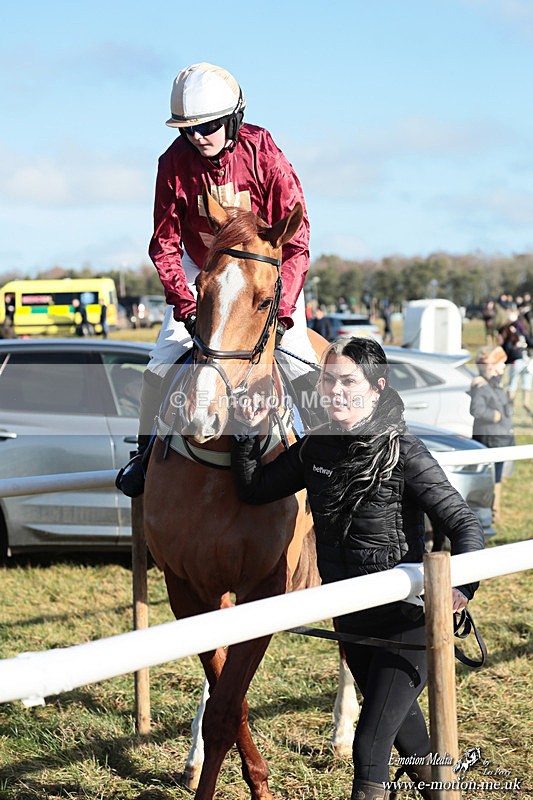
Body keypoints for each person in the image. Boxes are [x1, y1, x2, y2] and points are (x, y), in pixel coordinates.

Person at [231, 337, 485, 800]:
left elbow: (464, 524)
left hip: (406, 618)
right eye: (328, 381)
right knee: (413, 744)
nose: (336, 391)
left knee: (370, 744)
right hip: (350, 618)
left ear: (375, 388)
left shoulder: (403, 450)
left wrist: (460, 589)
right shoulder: (316, 448)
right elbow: (256, 489)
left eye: (349, 381)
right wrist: (247, 434)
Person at [116, 61, 317, 497]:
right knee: (164, 351)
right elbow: (163, 243)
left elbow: (296, 238)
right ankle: (144, 453)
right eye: (188, 129)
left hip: (263, 269)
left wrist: (282, 312)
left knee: (300, 350)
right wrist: (185, 303)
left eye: (207, 126)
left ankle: (324, 457)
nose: (197, 137)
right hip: (200, 267)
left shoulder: (264, 152)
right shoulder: (172, 163)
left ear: (232, 119)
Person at [469, 346, 514, 523]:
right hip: (491, 439)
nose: (505, 367)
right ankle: (491, 512)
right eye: (502, 363)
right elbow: (476, 410)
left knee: (498, 477)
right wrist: (494, 415)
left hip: (500, 438)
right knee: (491, 478)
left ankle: (495, 511)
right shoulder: (481, 386)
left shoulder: (495, 383)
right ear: (493, 364)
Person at [498, 314, 533, 414]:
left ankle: (511, 405)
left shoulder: (509, 333)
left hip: (517, 361)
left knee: (512, 384)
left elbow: (507, 348)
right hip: (526, 361)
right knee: (526, 384)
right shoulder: (521, 332)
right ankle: (526, 404)